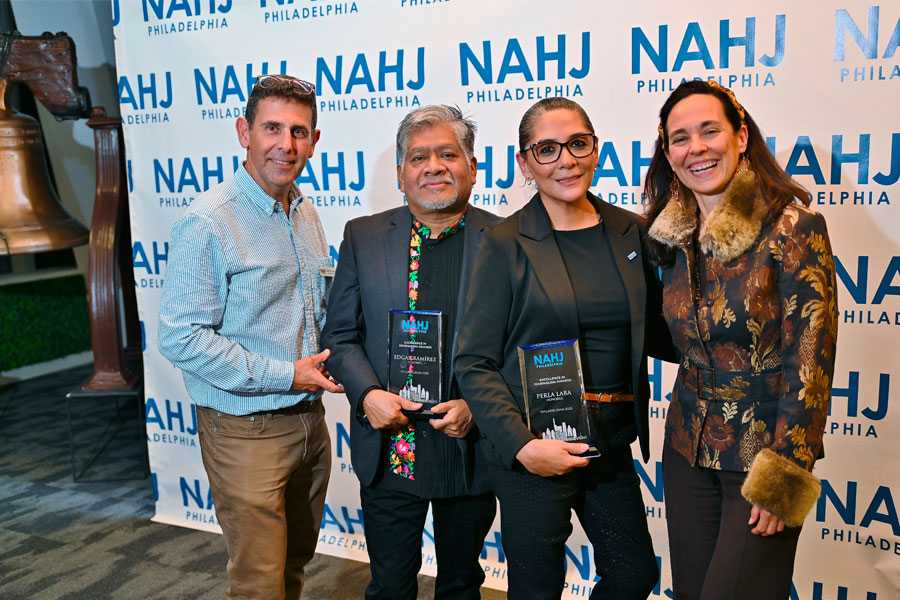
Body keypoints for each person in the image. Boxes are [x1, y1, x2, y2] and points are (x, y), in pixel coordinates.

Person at [454, 97, 674, 599]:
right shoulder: (505, 242)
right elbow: (474, 362)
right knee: (537, 588)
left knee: (634, 574)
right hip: (534, 440)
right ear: (525, 163)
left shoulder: (632, 231)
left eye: (577, 144)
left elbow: (659, 329)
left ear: (595, 149)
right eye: (547, 149)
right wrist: (523, 446)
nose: (566, 160)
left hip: (610, 441)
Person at [643, 80, 838, 600]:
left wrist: (784, 475)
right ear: (668, 153)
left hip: (762, 457)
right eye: (680, 138)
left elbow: (811, 362)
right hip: (686, 450)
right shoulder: (670, 234)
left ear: (742, 137)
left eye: (710, 131)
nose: (697, 148)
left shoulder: (793, 226)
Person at [158, 74, 343, 600]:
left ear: (314, 140)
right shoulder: (208, 221)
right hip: (245, 431)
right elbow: (180, 337)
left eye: (299, 131)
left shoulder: (305, 211)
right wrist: (286, 374)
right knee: (259, 581)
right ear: (244, 132)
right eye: (272, 128)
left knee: (295, 562)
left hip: (309, 420)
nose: (286, 144)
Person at [321, 105, 500, 600]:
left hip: (468, 445)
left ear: (472, 167)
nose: (433, 167)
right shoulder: (363, 236)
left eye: (448, 154)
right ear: (401, 173)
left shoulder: (507, 239)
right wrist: (367, 395)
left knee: (462, 585)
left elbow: (519, 343)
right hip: (391, 443)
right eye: (419, 157)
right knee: (389, 587)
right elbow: (339, 335)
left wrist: (477, 406)